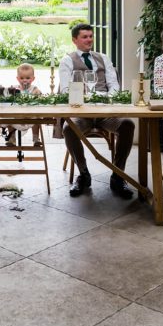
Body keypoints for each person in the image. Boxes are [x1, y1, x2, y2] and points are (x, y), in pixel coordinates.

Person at [58, 22, 135, 199]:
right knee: (69, 129)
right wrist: (84, 99)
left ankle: (118, 176)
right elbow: (65, 90)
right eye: (85, 37)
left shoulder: (103, 58)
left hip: (104, 112)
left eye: (91, 36)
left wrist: (106, 99)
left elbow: (114, 85)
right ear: (74, 40)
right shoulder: (67, 61)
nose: (89, 40)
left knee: (128, 125)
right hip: (82, 113)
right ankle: (84, 175)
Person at [5, 63, 43, 147]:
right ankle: (12, 137)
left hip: (30, 117)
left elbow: (40, 97)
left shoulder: (34, 89)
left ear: (33, 79)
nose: (24, 80)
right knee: (7, 116)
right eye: (22, 78)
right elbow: (7, 97)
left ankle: (36, 138)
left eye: (28, 78)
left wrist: (38, 95)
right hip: (16, 116)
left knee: (37, 118)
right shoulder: (14, 89)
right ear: (18, 79)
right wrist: (9, 94)